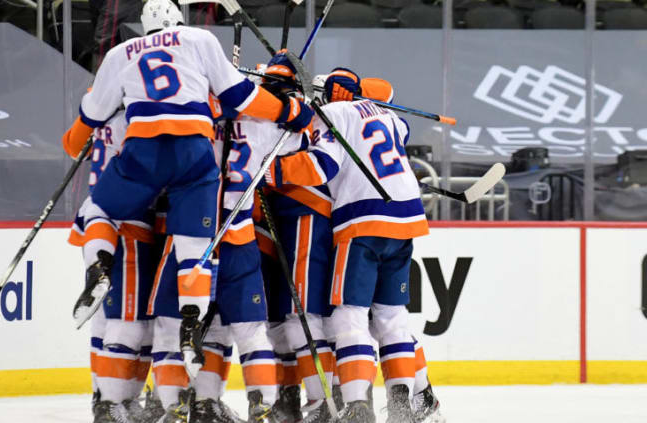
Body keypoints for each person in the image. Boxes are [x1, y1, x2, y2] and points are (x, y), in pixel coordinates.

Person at [60, 0, 314, 420]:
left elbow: (78, 135)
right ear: (179, 18)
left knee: (97, 211)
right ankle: (195, 320)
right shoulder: (199, 40)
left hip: (142, 158)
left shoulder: (119, 56)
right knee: (218, 285)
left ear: (141, 28)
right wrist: (290, 109)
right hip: (204, 173)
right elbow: (241, 97)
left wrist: (79, 137)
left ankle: (97, 265)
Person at [264, 67, 429, 423]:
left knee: (349, 316)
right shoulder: (392, 118)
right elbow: (399, 133)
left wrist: (271, 171)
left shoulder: (334, 115)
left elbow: (321, 165)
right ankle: (407, 406)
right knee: (390, 317)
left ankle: (357, 406)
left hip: (363, 220)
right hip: (408, 217)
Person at [67, 110, 165, 423]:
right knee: (130, 322)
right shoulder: (143, 107)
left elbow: (72, 145)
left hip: (97, 219)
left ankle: (111, 398)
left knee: (108, 319)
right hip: (128, 220)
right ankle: (112, 402)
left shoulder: (101, 101)